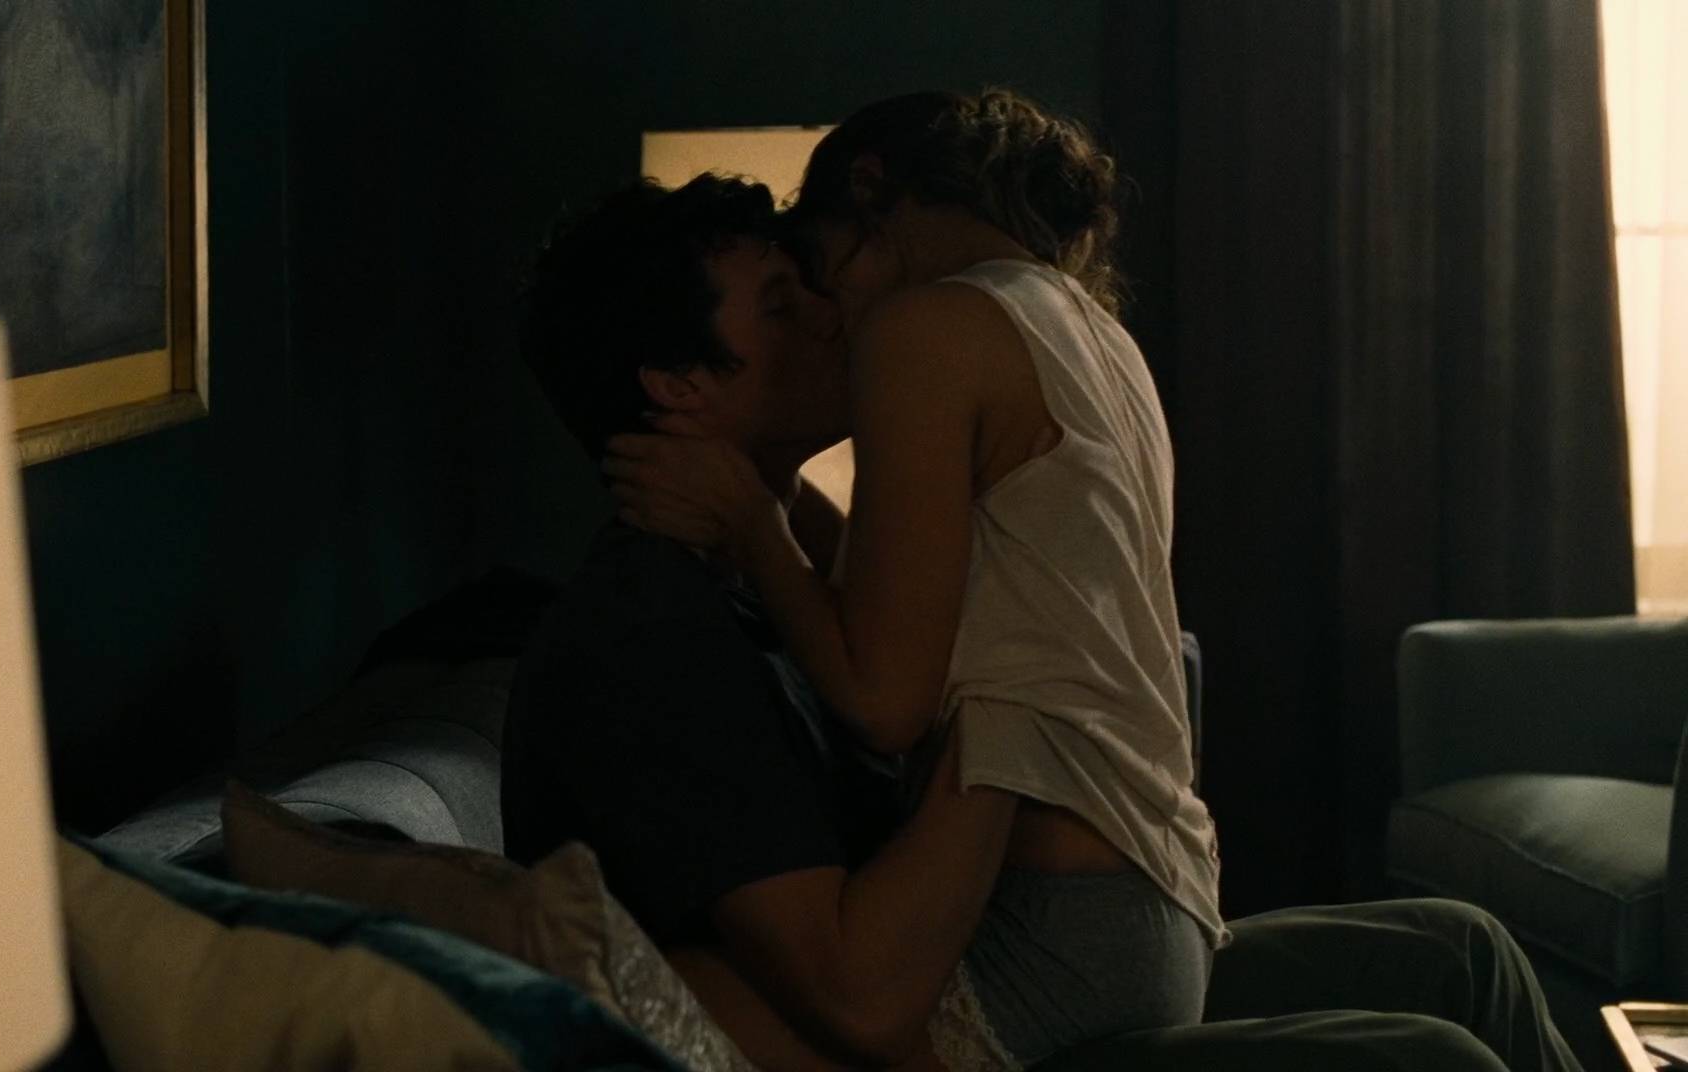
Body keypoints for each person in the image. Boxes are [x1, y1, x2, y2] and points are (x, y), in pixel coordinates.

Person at [504, 169, 1580, 1072]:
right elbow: (861, 999)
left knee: (1462, 953)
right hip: (933, 1035)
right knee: (1427, 1058)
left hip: (993, 972)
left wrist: (784, 533)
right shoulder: (655, 633)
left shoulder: (770, 568)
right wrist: (1013, 681)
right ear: (677, 385)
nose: (834, 313)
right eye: (783, 307)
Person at [605, 89, 1208, 1070]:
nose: (831, 318)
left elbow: (886, 702)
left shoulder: (927, 326)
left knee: (624, 1001)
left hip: (1050, 920)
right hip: (1152, 900)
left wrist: (752, 523)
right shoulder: (1087, 329)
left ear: (870, 191)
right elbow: (951, 591)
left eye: (817, 272)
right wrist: (781, 508)